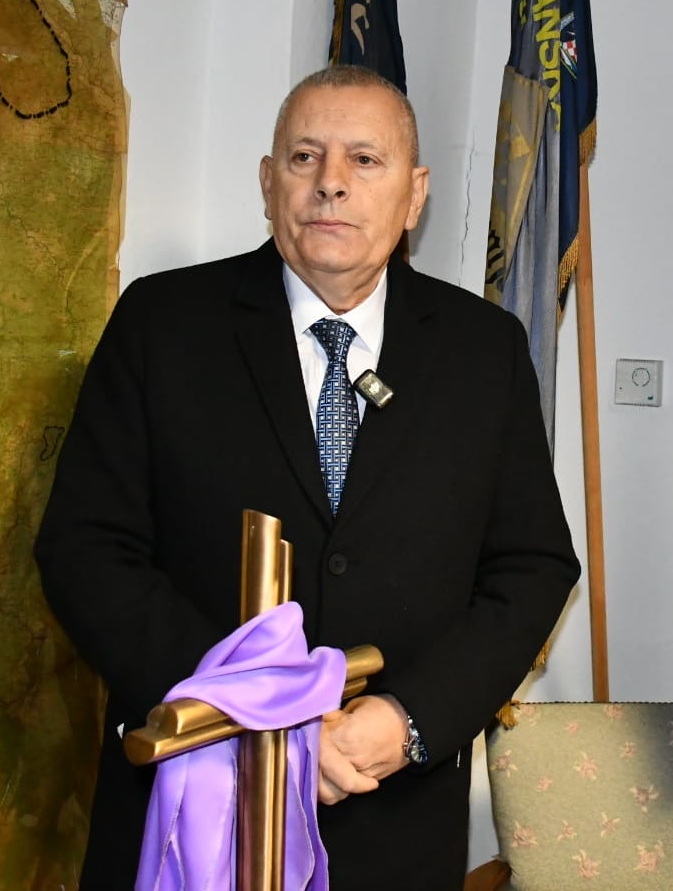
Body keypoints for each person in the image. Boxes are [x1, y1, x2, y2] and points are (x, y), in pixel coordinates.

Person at [34, 64, 581, 889]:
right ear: (268, 182)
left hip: (390, 815)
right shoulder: (162, 324)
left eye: (365, 159)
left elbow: (532, 566)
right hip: (193, 805)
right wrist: (257, 713)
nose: (331, 182)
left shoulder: (484, 350)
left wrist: (408, 721)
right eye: (304, 157)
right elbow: (86, 548)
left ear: (415, 193)